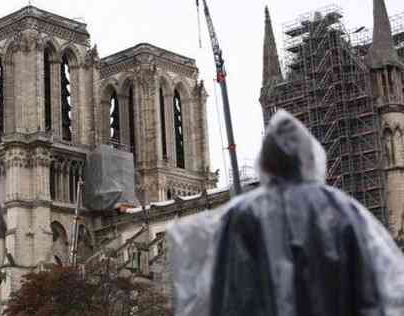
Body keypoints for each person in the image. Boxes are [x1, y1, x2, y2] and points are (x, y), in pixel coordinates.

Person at [168, 110, 404, 316]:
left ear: (266, 162)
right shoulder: (343, 210)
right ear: (311, 157)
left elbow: (223, 294)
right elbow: (377, 287)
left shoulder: (241, 215)